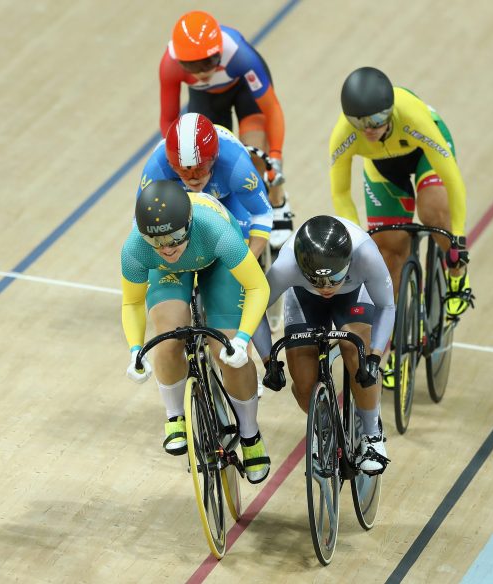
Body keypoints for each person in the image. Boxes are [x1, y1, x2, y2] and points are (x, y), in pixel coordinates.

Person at [329, 66, 474, 387]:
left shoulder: (414, 117)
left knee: (435, 214)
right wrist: (357, 244)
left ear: (391, 110)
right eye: (360, 123)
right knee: (388, 253)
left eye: (378, 120)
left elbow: (452, 178)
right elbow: (341, 193)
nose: (369, 129)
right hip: (383, 168)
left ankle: (456, 278)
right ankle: (388, 347)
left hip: (424, 154)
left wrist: (459, 239)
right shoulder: (344, 134)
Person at [121, 180, 272, 484]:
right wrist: (136, 349)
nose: (167, 248)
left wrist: (242, 340)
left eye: (175, 237)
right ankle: (175, 416)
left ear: (188, 224)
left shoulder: (216, 231)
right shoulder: (137, 249)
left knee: (227, 352)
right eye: (157, 241)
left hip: (215, 261)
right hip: (169, 274)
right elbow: (132, 303)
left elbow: (259, 287)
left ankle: (249, 434)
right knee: (169, 335)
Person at [254, 215, 394, 474]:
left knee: (356, 352)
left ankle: (372, 436)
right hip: (304, 299)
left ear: (349, 261)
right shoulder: (286, 265)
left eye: (334, 278)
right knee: (304, 382)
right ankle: (324, 426)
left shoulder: (366, 255)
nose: (327, 288)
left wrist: (374, 357)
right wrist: (267, 360)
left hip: (353, 293)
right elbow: (254, 310)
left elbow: (387, 306)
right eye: (318, 280)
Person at [160, 10, 293, 248]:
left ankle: (278, 200)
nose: (202, 73)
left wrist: (276, 157)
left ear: (220, 52)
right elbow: (169, 121)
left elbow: (272, 109)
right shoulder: (169, 65)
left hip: (244, 92)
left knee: (253, 154)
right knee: (203, 159)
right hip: (206, 101)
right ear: (180, 62)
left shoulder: (241, 56)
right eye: (192, 66)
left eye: (208, 62)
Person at [138, 112, 273, 260]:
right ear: (170, 165)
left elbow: (262, 213)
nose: (193, 178)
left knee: (236, 252)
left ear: (215, 158)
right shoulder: (156, 168)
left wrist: (248, 264)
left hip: (229, 199)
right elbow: (141, 224)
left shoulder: (237, 168)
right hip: (177, 207)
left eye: (200, 169)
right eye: (183, 171)